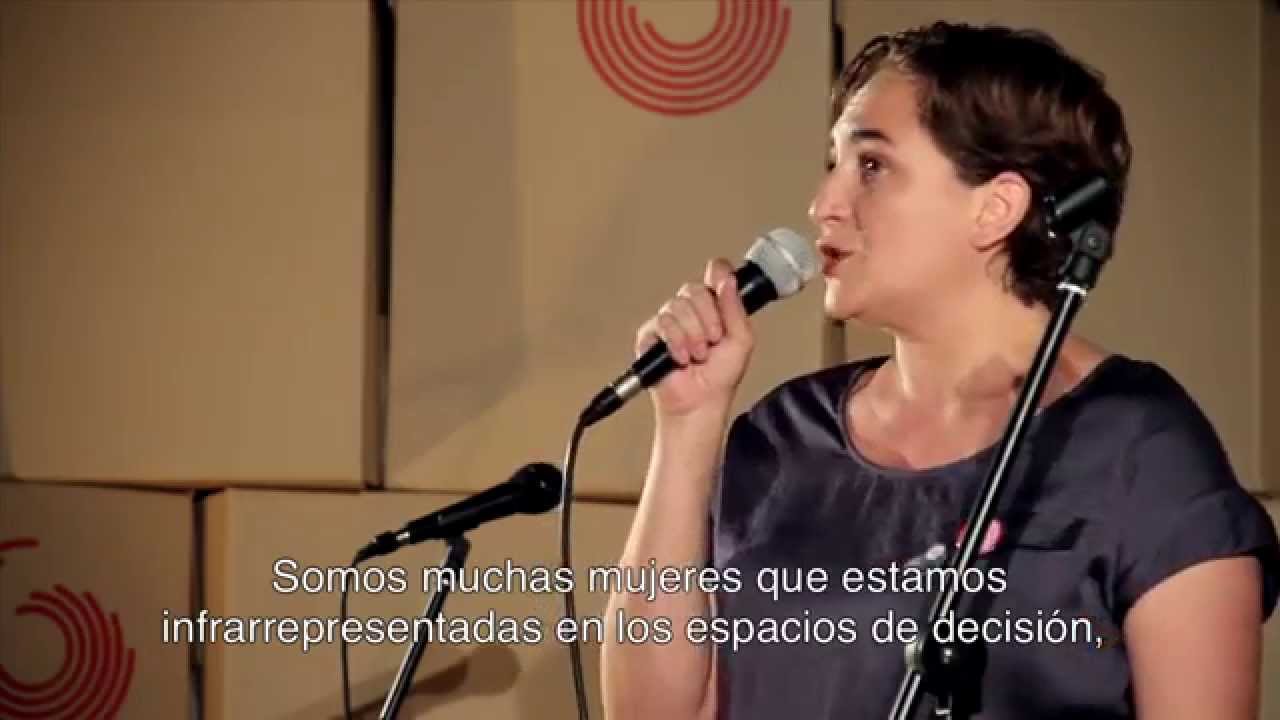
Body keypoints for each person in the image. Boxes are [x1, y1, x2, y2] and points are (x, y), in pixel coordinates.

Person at [599, 21, 1280, 720]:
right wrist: (686, 425)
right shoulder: (782, 440)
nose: (823, 203)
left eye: (871, 165)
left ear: (996, 208)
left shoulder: (1141, 449)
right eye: (833, 163)